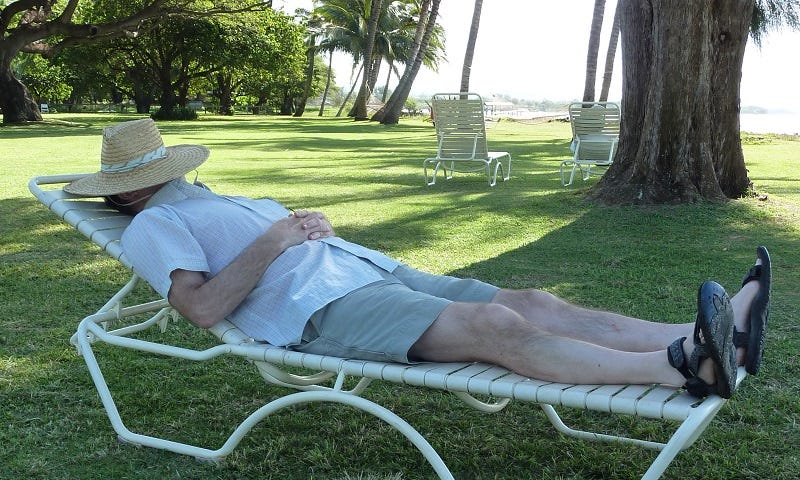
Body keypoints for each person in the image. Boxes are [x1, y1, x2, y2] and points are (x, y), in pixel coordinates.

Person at [64, 118, 772, 399]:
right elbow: (200, 308)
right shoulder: (151, 224)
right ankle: (681, 370)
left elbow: (256, 246)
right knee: (495, 331)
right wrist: (277, 238)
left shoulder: (196, 198)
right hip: (318, 310)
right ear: (128, 194)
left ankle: (716, 335)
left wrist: (304, 230)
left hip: (359, 269)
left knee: (532, 304)